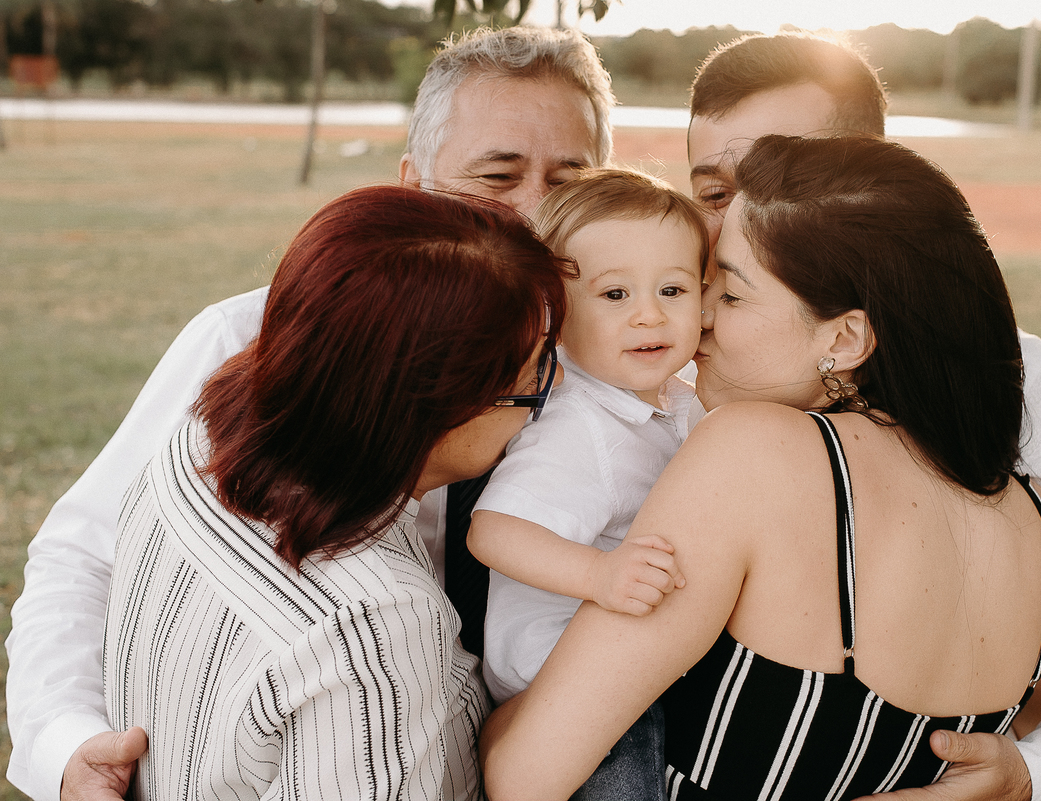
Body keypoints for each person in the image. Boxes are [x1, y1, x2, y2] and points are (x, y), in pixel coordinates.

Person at [5, 25, 613, 801]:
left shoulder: (642, 383)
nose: (535, 213)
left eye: (570, 180)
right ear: (412, 184)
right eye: (497, 177)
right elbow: (84, 552)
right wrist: (65, 741)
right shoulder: (246, 343)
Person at [480, 133, 1041, 800]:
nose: (698, 317)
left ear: (844, 337)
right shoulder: (1038, 523)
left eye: (730, 294)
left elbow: (523, 778)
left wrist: (494, 717)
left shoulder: (751, 452)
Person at [682, 32, 1041, 801]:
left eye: (788, 173)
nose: (739, 220)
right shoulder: (648, 351)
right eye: (713, 192)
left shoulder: (1022, 383)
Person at [103, 183, 571, 800]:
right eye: (536, 370)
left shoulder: (199, 442)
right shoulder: (376, 625)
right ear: (439, 408)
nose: (552, 389)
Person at [466, 169, 707, 799]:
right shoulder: (579, 424)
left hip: (626, 645)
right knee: (624, 766)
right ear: (554, 312)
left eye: (673, 289)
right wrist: (598, 576)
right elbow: (494, 531)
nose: (649, 315)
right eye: (615, 294)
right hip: (558, 668)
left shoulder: (678, 399)